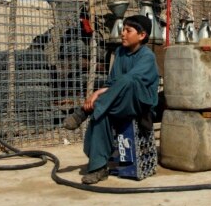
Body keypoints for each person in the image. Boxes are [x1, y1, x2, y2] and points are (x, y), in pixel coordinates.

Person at [62, 15, 159, 184]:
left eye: (128, 31)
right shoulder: (121, 52)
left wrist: (98, 94)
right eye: (123, 30)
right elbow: (112, 83)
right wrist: (100, 92)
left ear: (142, 36)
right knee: (102, 115)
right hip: (118, 101)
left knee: (129, 81)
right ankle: (99, 168)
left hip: (139, 103)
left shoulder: (147, 56)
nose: (123, 34)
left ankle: (84, 111)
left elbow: (130, 81)